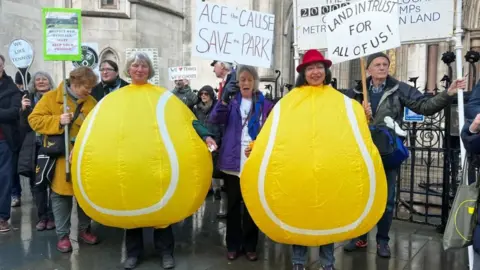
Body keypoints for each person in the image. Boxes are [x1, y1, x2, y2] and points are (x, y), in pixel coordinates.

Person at [343, 52, 467, 258]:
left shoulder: (399, 89)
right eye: (378, 64)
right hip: (362, 153)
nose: (382, 68)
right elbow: (342, 115)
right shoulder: (356, 91)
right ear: (369, 69)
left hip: (387, 151)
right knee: (361, 197)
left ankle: (383, 240)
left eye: (385, 64)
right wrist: (359, 112)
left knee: (388, 199)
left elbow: (424, 107)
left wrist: (448, 93)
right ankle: (360, 237)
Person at [121, 52, 217, 270]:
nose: (139, 69)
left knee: (161, 211)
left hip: (156, 159)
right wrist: (77, 143)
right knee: (132, 208)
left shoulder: (162, 96)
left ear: (149, 70)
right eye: (135, 65)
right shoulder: (118, 97)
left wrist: (206, 135)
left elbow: (187, 119)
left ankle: (166, 252)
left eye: (144, 66)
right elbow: (101, 124)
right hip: (131, 161)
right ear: (129, 69)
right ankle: (133, 254)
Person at [28, 66, 99, 252]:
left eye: (91, 88)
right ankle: (63, 235)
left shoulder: (91, 101)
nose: (89, 91)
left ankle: (84, 230)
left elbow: (98, 127)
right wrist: (58, 120)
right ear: (75, 83)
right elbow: (34, 120)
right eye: (86, 87)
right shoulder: (51, 98)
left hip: (84, 156)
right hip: (60, 157)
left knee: (85, 196)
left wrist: (78, 143)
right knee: (61, 197)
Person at [209, 65, 273, 261]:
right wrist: (223, 99)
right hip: (233, 162)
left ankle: (250, 245)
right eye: (241, 79)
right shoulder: (231, 102)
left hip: (254, 161)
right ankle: (233, 245)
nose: (245, 83)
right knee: (233, 206)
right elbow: (214, 119)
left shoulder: (265, 104)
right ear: (236, 83)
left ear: (254, 82)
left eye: (249, 79)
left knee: (253, 206)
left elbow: (272, 129)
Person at [287, 49, 336, 270]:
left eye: (319, 67)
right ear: (303, 73)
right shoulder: (291, 100)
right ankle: (298, 261)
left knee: (327, 215)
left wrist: (363, 115)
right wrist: (256, 147)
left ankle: (328, 262)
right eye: (310, 68)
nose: (315, 72)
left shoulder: (338, 100)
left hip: (328, 166)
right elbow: (277, 129)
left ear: (325, 71)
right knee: (300, 214)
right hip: (300, 166)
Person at [17, 71, 56, 231]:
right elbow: (24, 127)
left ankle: (53, 216)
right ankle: (42, 216)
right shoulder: (29, 99)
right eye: (38, 79)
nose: (41, 82)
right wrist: (23, 110)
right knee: (37, 184)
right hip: (34, 146)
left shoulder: (56, 99)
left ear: (49, 82)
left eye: (44, 79)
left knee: (54, 182)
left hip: (51, 145)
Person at [0, 54, 22, 232]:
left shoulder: (12, 89)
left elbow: (14, 113)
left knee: (4, 180)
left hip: (4, 142)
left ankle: (2, 217)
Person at [193, 85, 222, 200]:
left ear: (211, 95)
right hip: (202, 140)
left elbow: (221, 124)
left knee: (215, 166)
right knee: (204, 164)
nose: (203, 96)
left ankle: (217, 189)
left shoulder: (217, 107)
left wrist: (219, 139)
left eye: (206, 94)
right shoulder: (197, 108)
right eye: (201, 94)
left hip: (215, 138)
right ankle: (207, 188)